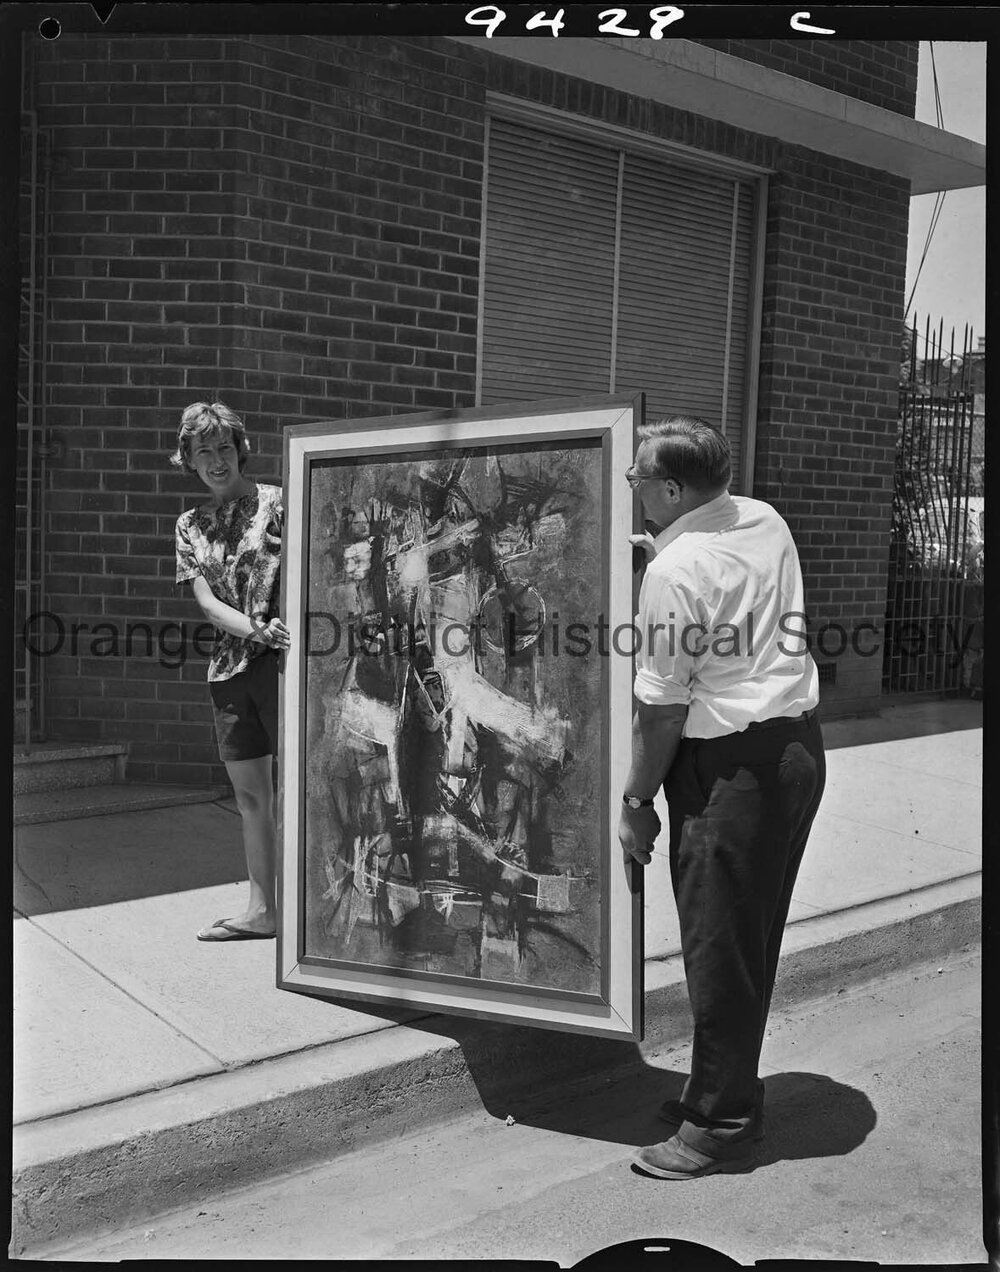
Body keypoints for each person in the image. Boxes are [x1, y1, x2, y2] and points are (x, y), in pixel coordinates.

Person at [618, 415, 825, 1180]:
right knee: (747, 936)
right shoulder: (760, 517)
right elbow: (724, 575)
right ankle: (722, 1086)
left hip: (730, 768)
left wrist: (637, 800)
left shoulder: (674, 574)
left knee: (718, 946)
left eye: (638, 476)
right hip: (795, 750)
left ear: (671, 489)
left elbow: (660, 710)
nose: (631, 485)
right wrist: (663, 552)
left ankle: (721, 1121)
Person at [171, 401, 291, 941]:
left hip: (285, 665)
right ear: (189, 461)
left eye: (224, 447)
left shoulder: (280, 503)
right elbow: (206, 603)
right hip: (230, 669)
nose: (216, 459)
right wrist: (253, 628)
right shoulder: (189, 525)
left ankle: (308, 917)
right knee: (250, 798)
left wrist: (278, 629)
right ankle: (262, 911)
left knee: (298, 792)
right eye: (203, 451)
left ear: (240, 449)